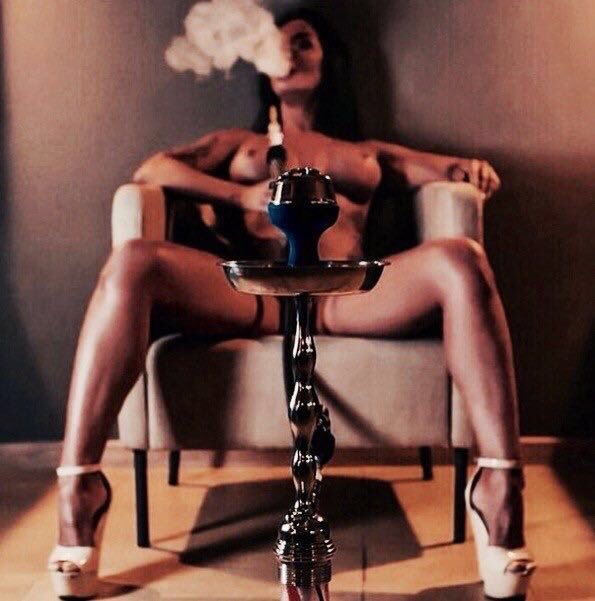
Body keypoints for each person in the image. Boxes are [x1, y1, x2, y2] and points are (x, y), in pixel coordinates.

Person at [48, 8, 535, 600]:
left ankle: (499, 490)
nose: (291, 52)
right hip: (253, 295)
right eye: (280, 44)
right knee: (131, 263)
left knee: (462, 260)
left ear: (329, 60)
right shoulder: (241, 145)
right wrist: (241, 195)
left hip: (342, 296)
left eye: (304, 42)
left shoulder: (363, 150)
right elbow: (154, 169)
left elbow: (445, 169)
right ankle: (80, 489)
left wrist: (467, 170)